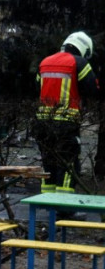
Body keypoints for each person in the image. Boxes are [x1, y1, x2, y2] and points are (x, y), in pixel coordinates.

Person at [34, 31, 98, 193]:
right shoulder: (79, 63)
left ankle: (48, 204)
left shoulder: (45, 62)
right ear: (83, 48)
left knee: (49, 163)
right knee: (69, 165)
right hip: (66, 124)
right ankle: (64, 208)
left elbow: (36, 87)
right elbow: (92, 89)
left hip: (42, 122)